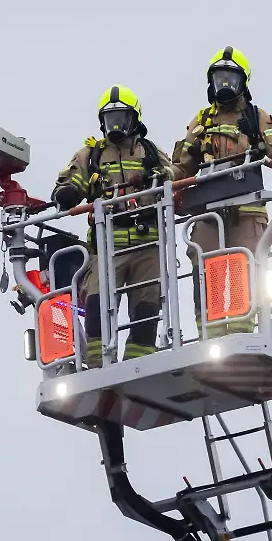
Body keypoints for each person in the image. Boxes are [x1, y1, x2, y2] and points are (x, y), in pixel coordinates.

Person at [168, 46, 272, 339]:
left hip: (247, 210)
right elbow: (182, 167)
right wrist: (165, 179)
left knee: (245, 267)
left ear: (243, 81)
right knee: (205, 269)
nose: (225, 85)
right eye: (220, 79)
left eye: (231, 78)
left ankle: (244, 332)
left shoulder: (257, 117)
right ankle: (211, 334)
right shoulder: (202, 121)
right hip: (208, 210)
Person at [51, 84, 175, 368]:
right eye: (110, 119)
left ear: (135, 119)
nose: (115, 125)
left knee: (146, 311)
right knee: (96, 309)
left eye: (121, 118)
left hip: (149, 245)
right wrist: (67, 193)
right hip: (108, 247)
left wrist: (156, 175)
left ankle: (138, 366)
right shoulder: (90, 155)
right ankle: (98, 367)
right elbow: (67, 184)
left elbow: (174, 176)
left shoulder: (152, 153)